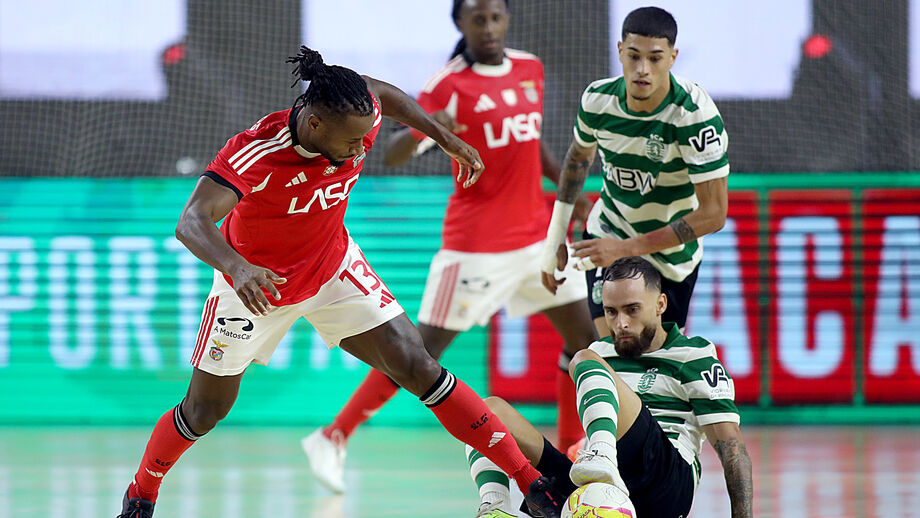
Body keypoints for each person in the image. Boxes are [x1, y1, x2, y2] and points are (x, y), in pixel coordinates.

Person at [116, 46, 562, 518]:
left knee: (417, 364)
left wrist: (443, 136)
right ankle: (141, 492)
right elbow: (191, 222)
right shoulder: (256, 152)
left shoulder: (357, 115)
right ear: (314, 124)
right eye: (352, 142)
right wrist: (238, 268)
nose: (360, 149)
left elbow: (385, 95)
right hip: (256, 285)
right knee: (205, 412)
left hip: (332, 269)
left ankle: (533, 484)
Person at [302, 0, 597, 493]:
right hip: (475, 247)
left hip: (538, 237)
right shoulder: (448, 84)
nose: (489, 27)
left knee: (584, 342)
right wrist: (431, 126)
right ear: (460, 23)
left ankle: (570, 454)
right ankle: (333, 435)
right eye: (477, 19)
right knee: (419, 353)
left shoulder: (530, 69)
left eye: (496, 17)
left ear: (507, 19)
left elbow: (531, 144)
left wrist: (570, 194)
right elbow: (393, 152)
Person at [465, 257, 753, 518]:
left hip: (664, 483)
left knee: (584, 358)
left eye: (632, 310)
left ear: (660, 304)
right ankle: (495, 507)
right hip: (596, 476)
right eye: (611, 312)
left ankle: (603, 456)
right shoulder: (602, 350)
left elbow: (731, 447)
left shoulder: (694, 356)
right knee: (487, 411)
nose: (621, 323)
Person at [540, 6, 729, 340]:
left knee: (654, 361)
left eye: (655, 58)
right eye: (634, 56)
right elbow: (578, 160)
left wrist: (626, 248)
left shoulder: (693, 115)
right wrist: (555, 236)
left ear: (672, 58)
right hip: (609, 232)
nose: (642, 69)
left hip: (671, 256)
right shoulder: (597, 100)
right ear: (619, 51)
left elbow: (714, 214)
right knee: (614, 350)